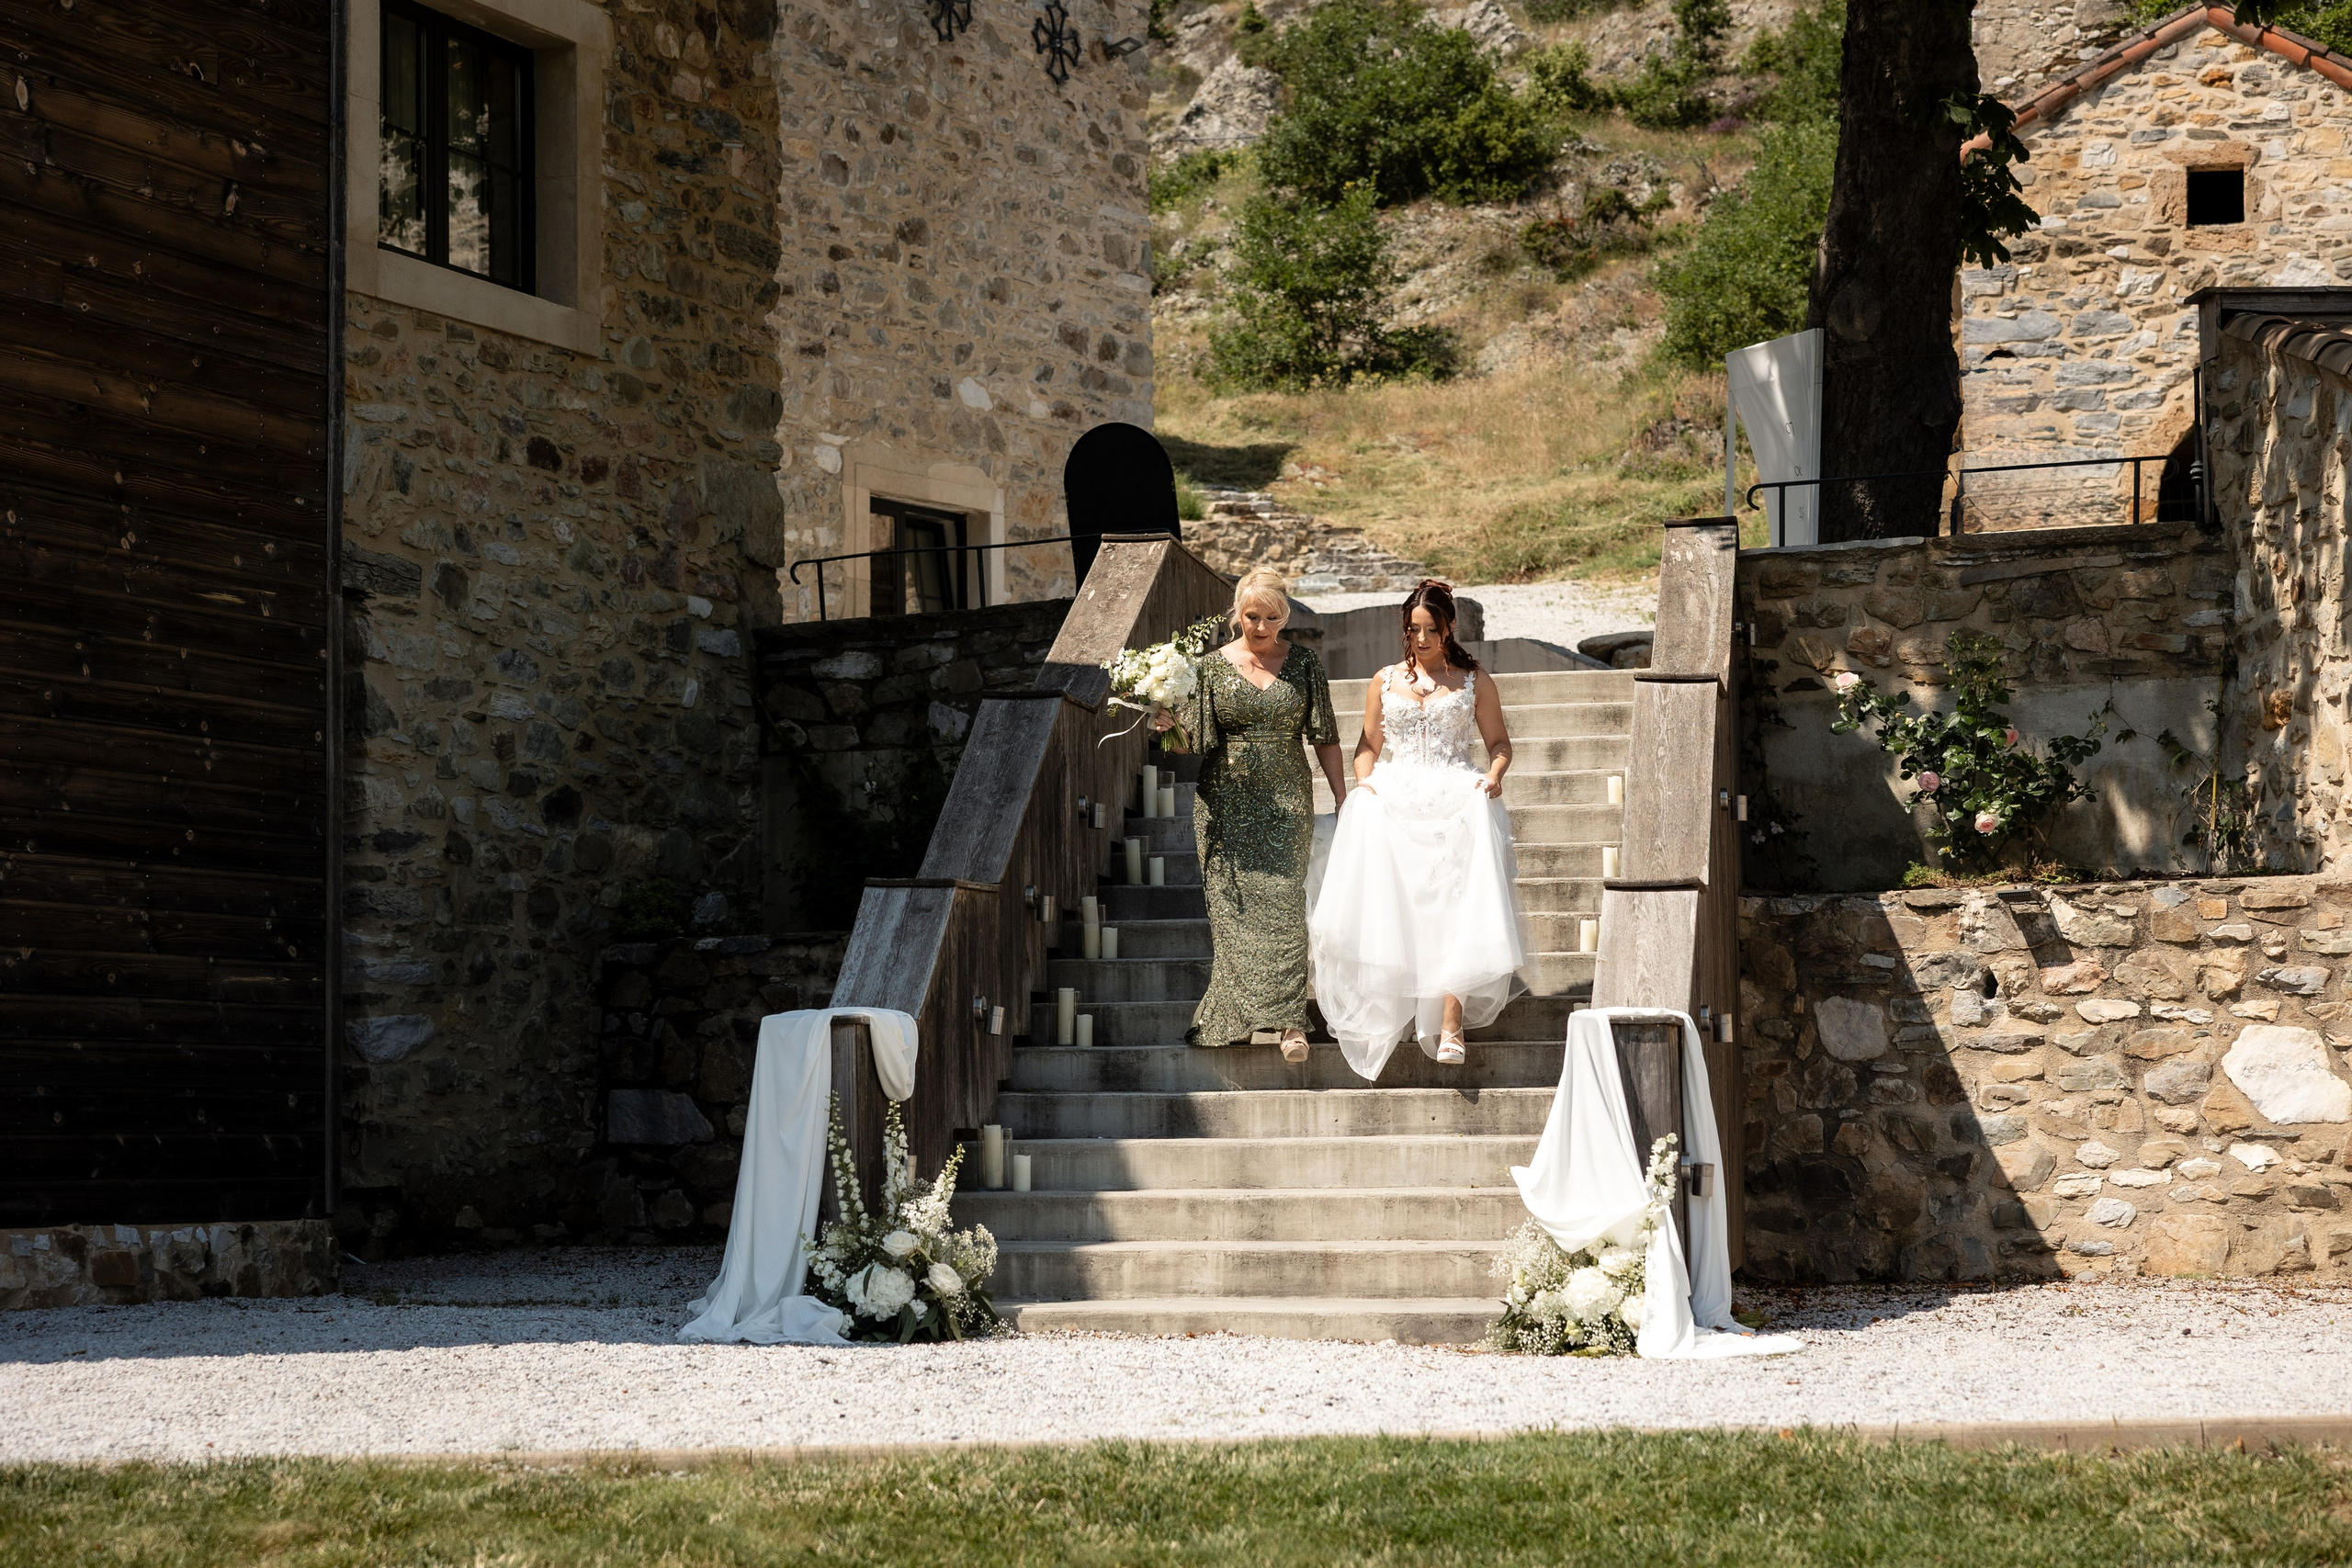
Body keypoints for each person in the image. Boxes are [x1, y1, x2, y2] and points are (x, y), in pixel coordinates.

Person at [1310, 579, 1525, 1077]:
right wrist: (1364, 785)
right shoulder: (1384, 680)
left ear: (1449, 627)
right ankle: (1396, 1004)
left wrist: (1492, 778)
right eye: (1413, 630)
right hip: (1398, 794)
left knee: (1456, 904)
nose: (1422, 639)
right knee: (1398, 905)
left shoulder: (1474, 680)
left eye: (1431, 629)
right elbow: (1367, 748)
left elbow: (1499, 745)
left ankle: (1452, 1020)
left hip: (1457, 797)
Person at [1154, 569, 1345, 1062]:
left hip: (1287, 800)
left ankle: (1289, 1024)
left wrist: (1346, 798)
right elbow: (1190, 744)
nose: (1261, 626)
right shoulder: (1211, 667)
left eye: (1272, 617)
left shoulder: (1303, 664)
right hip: (1225, 803)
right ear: (1237, 613)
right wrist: (1166, 721)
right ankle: (1235, 1016)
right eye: (1252, 616)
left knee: (1284, 906)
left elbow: (1324, 735)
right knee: (1233, 913)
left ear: (1286, 616)